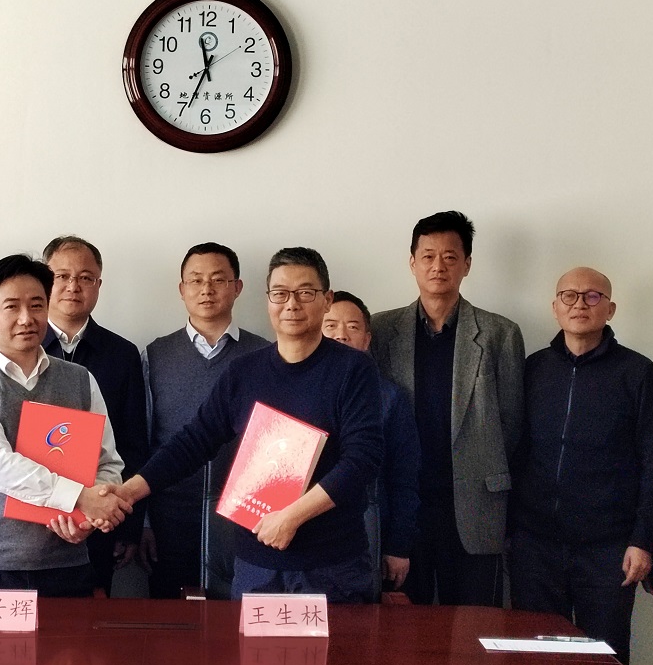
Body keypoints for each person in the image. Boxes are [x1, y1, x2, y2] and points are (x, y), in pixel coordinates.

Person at [110, 247, 384, 602]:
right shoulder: (244, 372)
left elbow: (362, 460)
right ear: (268, 299)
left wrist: (291, 517)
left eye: (305, 292)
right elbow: (193, 442)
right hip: (257, 563)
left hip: (332, 564)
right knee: (252, 643)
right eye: (280, 293)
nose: (291, 304)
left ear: (327, 299)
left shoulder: (353, 370)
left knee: (336, 643)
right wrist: (128, 492)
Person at [0, 254, 129, 595]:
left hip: (67, 565)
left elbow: (108, 462)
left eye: (37, 305)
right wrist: (80, 499)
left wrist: (88, 517)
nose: (27, 318)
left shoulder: (80, 379)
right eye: (12, 306)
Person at [509, 268, 653, 665]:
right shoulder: (533, 368)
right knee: (535, 660)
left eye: (593, 296)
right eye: (570, 296)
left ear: (610, 309)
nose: (580, 304)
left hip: (608, 549)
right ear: (555, 307)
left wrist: (643, 539)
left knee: (604, 664)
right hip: (535, 544)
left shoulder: (638, 373)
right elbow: (515, 449)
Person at [369, 211, 524, 607]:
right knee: (403, 631)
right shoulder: (381, 330)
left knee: (476, 627)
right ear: (412, 263)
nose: (438, 266)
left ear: (467, 264)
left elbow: (511, 423)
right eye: (428, 256)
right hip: (405, 506)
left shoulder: (500, 334)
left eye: (450, 257)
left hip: (476, 507)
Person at [143, 242, 269, 598]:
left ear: (237, 287)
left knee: (238, 612)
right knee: (173, 613)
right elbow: (144, 439)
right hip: (170, 513)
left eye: (218, 279)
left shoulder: (265, 354)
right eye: (196, 280)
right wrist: (144, 522)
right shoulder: (155, 354)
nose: (206, 289)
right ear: (182, 289)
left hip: (243, 514)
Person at [41, 235, 148, 595]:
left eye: (85, 278)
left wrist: (128, 527)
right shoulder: (21, 346)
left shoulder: (122, 354)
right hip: (29, 520)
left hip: (100, 521)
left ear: (98, 285)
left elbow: (133, 444)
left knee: (89, 620)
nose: (73, 286)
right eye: (62, 276)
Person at [322, 290, 421, 591]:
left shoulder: (390, 398)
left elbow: (405, 477)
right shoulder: (296, 389)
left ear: (366, 340)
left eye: (352, 327)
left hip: (370, 532)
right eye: (330, 326)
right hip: (308, 533)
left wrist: (398, 546)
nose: (341, 335)